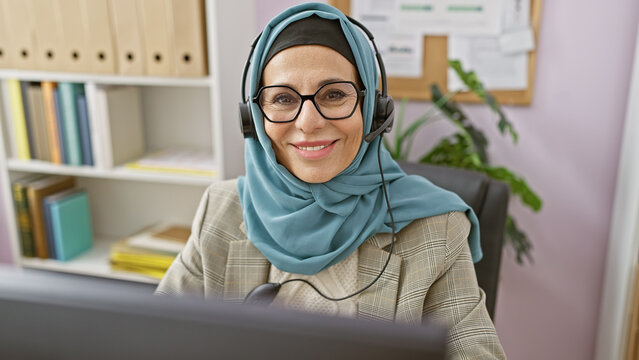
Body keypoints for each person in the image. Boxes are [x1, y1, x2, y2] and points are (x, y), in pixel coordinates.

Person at [156, 3, 505, 359]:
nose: (308, 122)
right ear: (253, 117)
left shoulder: (435, 229)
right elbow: (155, 337)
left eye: (334, 95)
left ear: (373, 111)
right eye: (282, 98)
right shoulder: (222, 210)